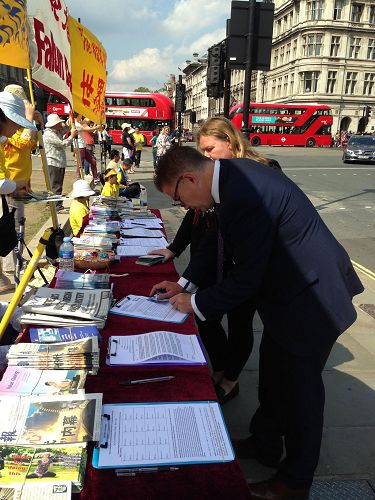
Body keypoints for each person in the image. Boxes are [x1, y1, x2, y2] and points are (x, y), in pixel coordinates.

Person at [150, 145, 363, 499]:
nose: (183, 207)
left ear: (189, 178)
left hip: (312, 299)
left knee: (300, 396)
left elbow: (246, 277)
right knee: (274, 378)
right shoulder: (231, 181)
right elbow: (220, 244)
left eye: (177, 198)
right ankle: (264, 442)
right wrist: (185, 284)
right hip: (289, 296)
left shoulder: (243, 193)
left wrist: (195, 303)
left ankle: (294, 482)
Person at [149, 117, 280, 403]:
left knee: (240, 323)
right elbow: (200, 225)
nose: (204, 157)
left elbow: (250, 254)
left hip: (243, 268)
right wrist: (182, 273)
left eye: (209, 149)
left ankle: (231, 379)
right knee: (206, 316)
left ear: (230, 143)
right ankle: (221, 368)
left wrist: (188, 288)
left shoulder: (254, 177)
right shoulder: (212, 184)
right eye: (202, 151)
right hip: (213, 263)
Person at [2, 85, 42, 283]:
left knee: (17, 226)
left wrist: (35, 124)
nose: (18, 126)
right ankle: (11, 267)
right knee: (11, 228)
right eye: (16, 121)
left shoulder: (7, 132)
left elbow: (32, 143)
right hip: (9, 186)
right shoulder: (8, 135)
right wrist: (27, 119)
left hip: (16, 184)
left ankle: (14, 263)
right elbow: (25, 141)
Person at [43, 113, 77, 213]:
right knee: (56, 185)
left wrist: (69, 120)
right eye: (58, 123)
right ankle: (57, 206)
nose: (60, 125)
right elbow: (63, 144)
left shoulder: (55, 131)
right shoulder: (49, 134)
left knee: (53, 184)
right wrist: (72, 136)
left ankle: (50, 204)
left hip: (57, 162)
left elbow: (65, 129)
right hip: (54, 162)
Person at [74, 114, 100, 183]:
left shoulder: (78, 122)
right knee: (80, 163)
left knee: (93, 161)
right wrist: (97, 126)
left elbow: (86, 120)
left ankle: (95, 178)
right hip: (80, 146)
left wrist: (95, 117)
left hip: (83, 146)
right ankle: (78, 177)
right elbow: (89, 130)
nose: (81, 116)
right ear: (78, 116)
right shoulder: (76, 124)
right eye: (80, 115)